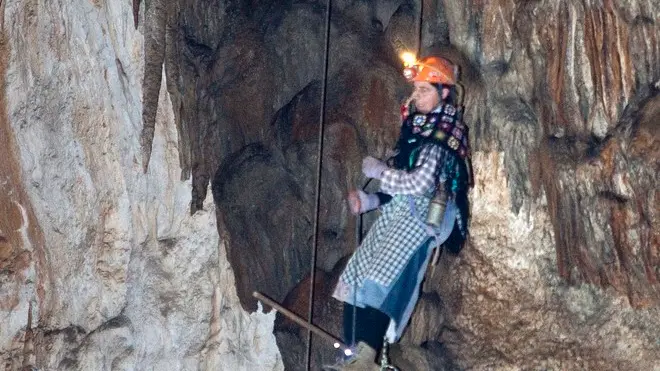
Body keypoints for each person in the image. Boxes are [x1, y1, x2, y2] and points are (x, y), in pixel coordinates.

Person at [328, 56, 472, 370]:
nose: (416, 96)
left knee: (383, 278)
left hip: (422, 219)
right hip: (398, 213)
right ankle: (351, 353)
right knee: (358, 273)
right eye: (416, 90)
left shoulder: (443, 135)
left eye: (424, 90)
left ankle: (368, 354)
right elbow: (399, 187)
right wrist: (369, 201)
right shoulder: (415, 131)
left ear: (443, 93)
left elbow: (420, 183)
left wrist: (380, 170)